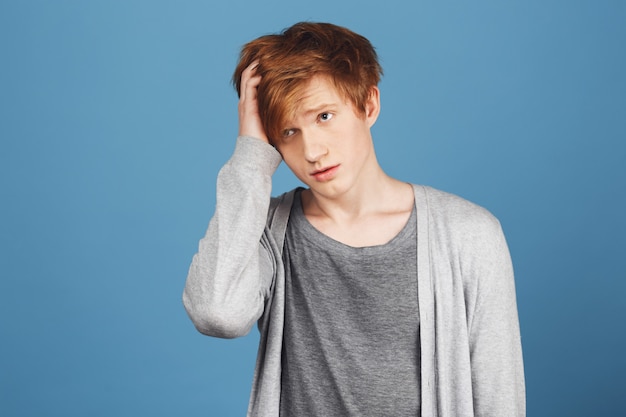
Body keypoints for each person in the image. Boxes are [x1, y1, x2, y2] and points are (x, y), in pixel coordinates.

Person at [183, 22, 525, 416]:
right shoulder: (268, 234)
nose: (312, 150)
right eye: (288, 131)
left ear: (369, 105)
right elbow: (217, 313)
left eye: (324, 116)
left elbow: (500, 399)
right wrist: (250, 155)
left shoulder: (469, 234)